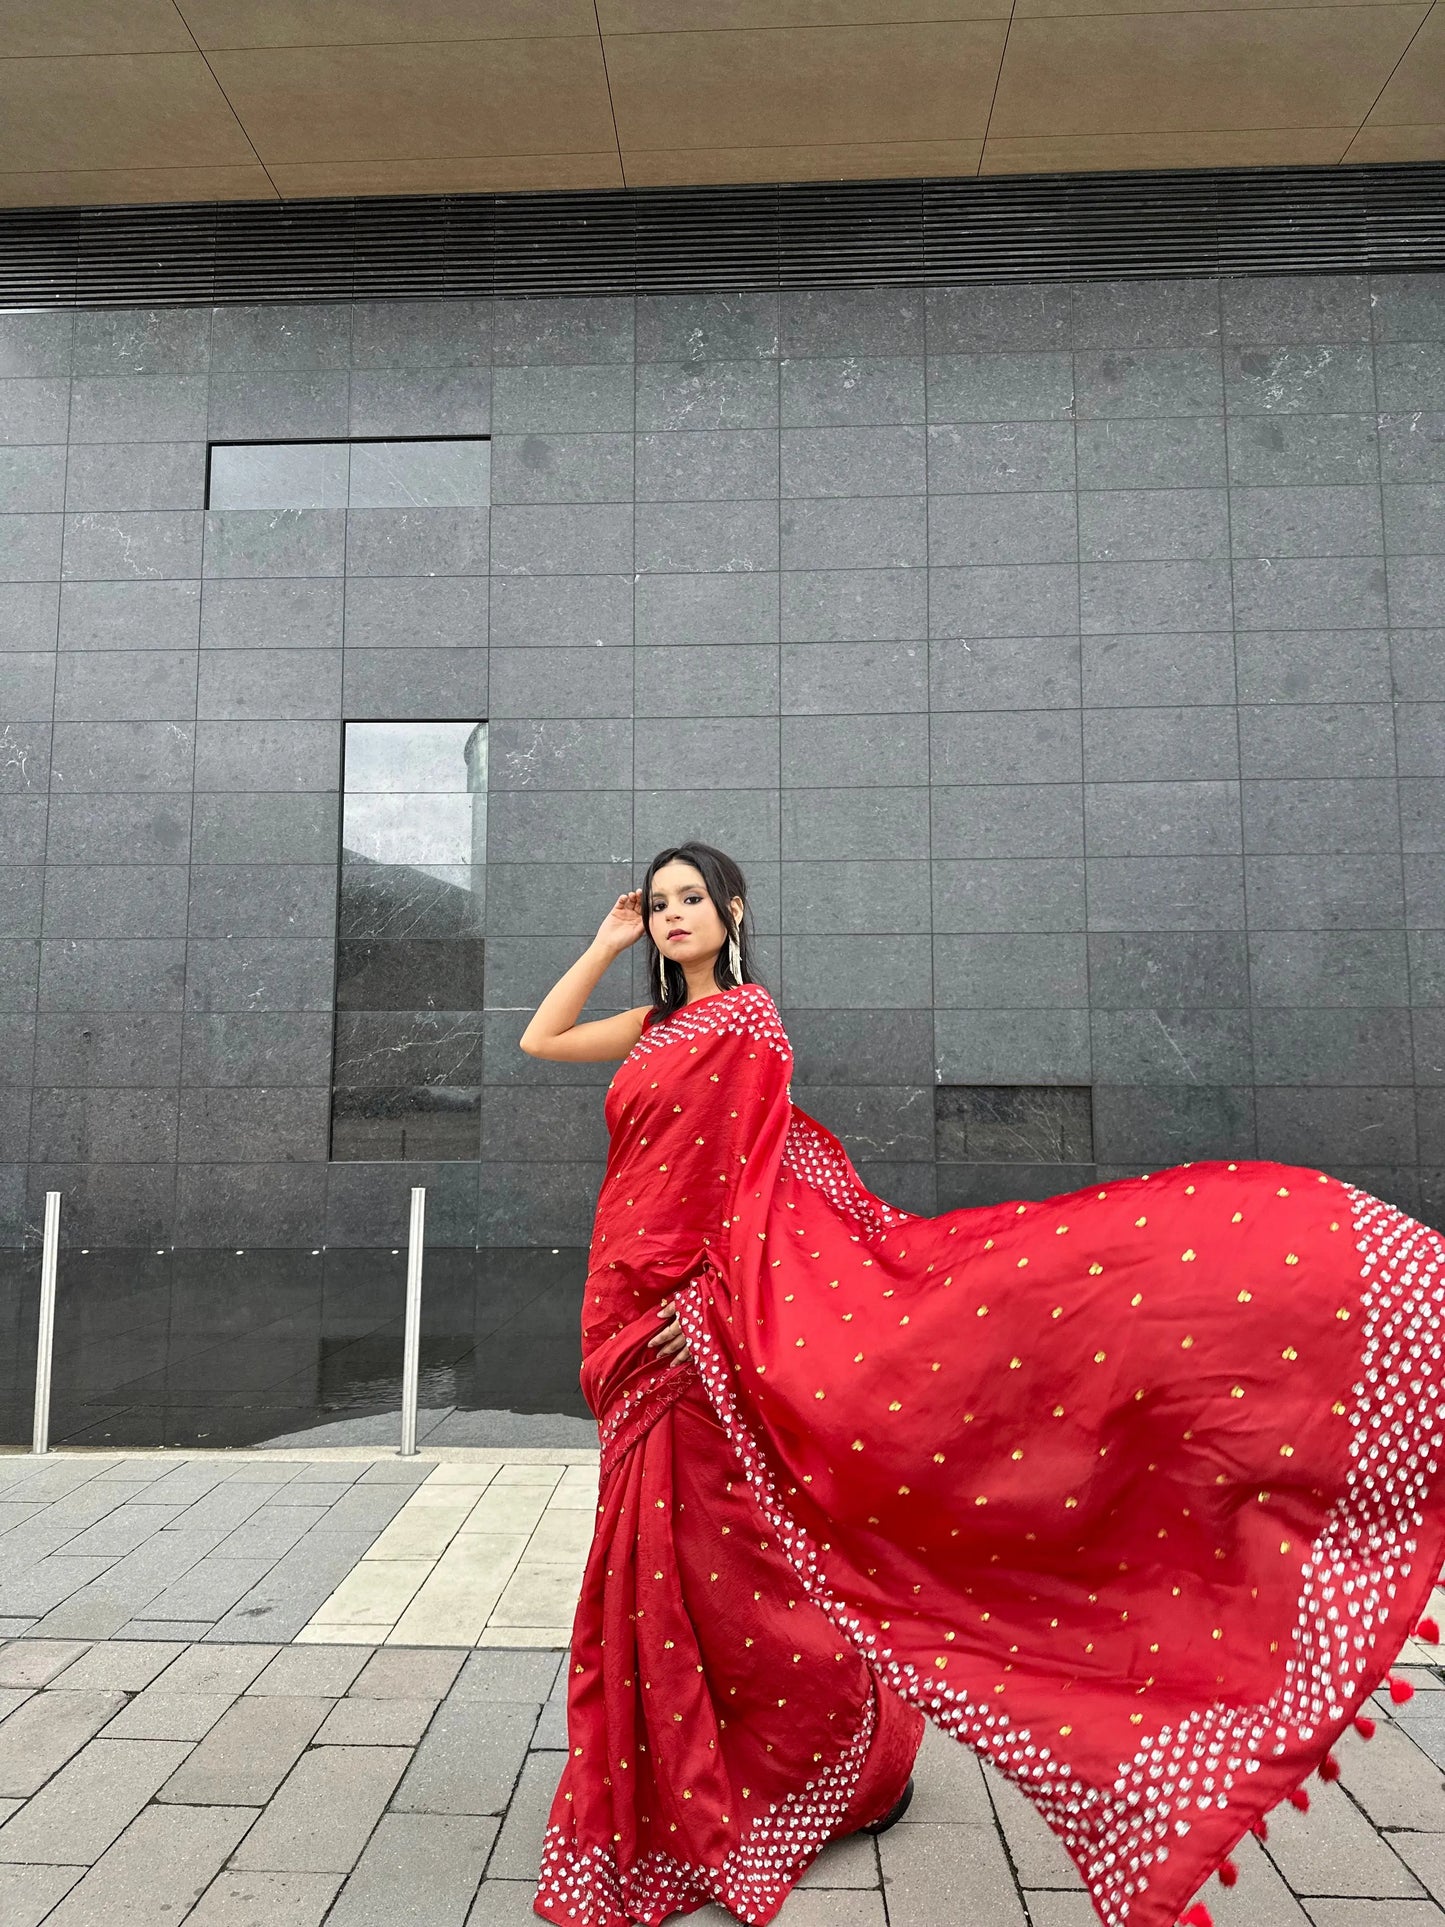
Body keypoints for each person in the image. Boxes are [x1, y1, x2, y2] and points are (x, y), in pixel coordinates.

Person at [524, 841, 1445, 1927]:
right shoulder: (659, 1027)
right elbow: (542, 1039)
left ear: (733, 909)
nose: (673, 915)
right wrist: (602, 940)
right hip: (623, 1309)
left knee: (709, 1561)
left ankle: (820, 1759)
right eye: (661, 902)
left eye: (691, 899)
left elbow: (745, 1188)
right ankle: (720, 1771)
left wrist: (703, 1310)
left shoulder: (746, 1028)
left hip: (686, 1329)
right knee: (662, 1557)